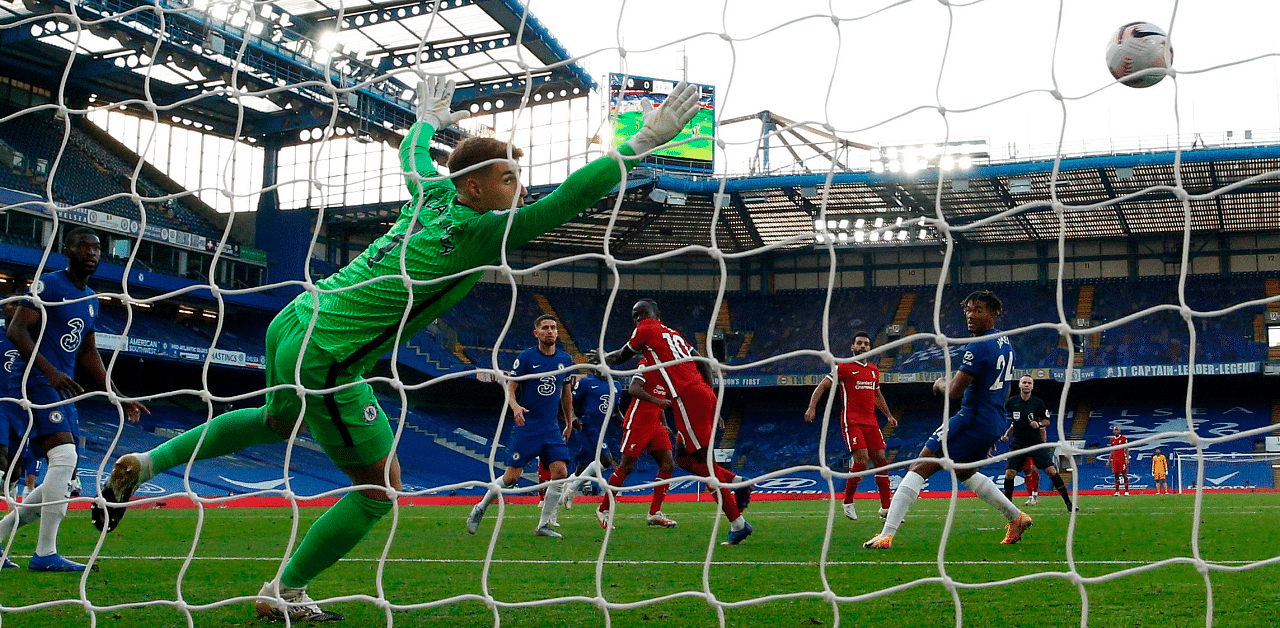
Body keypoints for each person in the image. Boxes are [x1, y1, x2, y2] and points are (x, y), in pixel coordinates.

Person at [92, 75, 701, 621]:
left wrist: (425, 122)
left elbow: (413, 156)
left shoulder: (431, 194)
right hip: (331, 350)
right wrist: (639, 142)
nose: (518, 187)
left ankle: (144, 466)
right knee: (380, 489)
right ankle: (286, 590)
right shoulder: (478, 230)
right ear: (475, 184)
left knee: (278, 420)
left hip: (296, 319)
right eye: (508, 177)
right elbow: (565, 201)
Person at [0, 228, 147, 572]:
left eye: (97, 248)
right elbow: (16, 330)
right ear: (66, 249)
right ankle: (45, 554)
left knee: (63, 470)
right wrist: (49, 372)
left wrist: (118, 395)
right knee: (63, 456)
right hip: (35, 380)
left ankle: (5, 535)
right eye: (84, 245)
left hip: (62, 388)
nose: (92, 252)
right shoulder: (47, 285)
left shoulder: (92, 299)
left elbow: (89, 353)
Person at [864, 290, 1033, 549]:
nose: (970, 315)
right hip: (993, 419)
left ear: (992, 314)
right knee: (964, 471)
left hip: (970, 419)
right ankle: (1016, 517)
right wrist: (994, 425)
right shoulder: (1005, 342)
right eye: (967, 309)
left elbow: (954, 391)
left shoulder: (978, 345)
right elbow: (1006, 387)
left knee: (920, 466)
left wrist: (941, 383)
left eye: (978, 310)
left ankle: (886, 534)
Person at [601, 299, 753, 545]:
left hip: (687, 398)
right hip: (697, 395)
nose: (636, 320)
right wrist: (708, 393)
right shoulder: (675, 336)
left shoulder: (645, 329)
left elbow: (620, 356)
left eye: (635, 316)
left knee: (706, 465)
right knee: (682, 458)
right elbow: (703, 361)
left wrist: (601, 357)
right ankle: (738, 483)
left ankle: (738, 523)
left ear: (642, 316)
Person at [467, 314, 575, 538]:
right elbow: (511, 386)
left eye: (553, 327)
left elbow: (566, 393)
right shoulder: (526, 358)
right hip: (527, 425)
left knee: (561, 472)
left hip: (551, 427)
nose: (550, 331)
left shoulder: (565, 359)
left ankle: (543, 525)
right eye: (545, 328)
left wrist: (569, 420)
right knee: (511, 478)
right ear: (537, 333)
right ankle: (479, 508)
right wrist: (515, 407)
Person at [803, 331, 897, 520]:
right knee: (861, 460)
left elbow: (877, 395)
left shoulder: (873, 370)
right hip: (852, 420)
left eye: (866, 344)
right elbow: (822, 386)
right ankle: (847, 502)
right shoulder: (843, 367)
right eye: (859, 343)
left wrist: (888, 415)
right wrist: (811, 407)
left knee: (881, 460)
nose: (863, 346)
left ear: (870, 348)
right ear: (852, 347)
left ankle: (886, 507)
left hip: (871, 421)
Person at [595, 354, 679, 528]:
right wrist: (659, 402)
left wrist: (663, 423)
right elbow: (634, 389)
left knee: (668, 464)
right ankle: (603, 509)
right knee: (627, 466)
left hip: (655, 425)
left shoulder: (666, 370)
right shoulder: (646, 364)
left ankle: (654, 513)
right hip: (638, 423)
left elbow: (659, 399)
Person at [1000, 375, 1074, 512]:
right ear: (1020, 385)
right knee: (1009, 473)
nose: (1026, 385)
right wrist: (1004, 434)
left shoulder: (1038, 403)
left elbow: (1047, 421)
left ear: (1032, 386)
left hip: (1035, 443)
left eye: (1029, 383)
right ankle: (1008, 506)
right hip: (1018, 443)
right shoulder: (1012, 402)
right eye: (1024, 382)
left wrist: (1038, 424)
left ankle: (1068, 502)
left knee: (1051, 471)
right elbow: (1009, 421)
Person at [560, 372, 620, 507]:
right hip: (588, 427)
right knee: (606, 461)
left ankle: (560, 495)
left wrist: (626, 422)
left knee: (582, 469)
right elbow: (569, 401)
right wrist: (573, 418)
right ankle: (572, 490)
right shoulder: (586, 382)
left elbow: (615, 411)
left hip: (603, 430)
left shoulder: (616, 385)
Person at [1109, 425, 1130, 496]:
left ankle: (1126, 491)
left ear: (1119, 431)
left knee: (1124, 474)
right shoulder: (1112, 439)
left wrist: (1127, 458)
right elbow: (1111, 450)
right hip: (1115, 459)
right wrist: (1109, 460)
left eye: (1117, 430)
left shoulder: (1124, 438)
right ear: (1113, 431)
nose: (1116, 431)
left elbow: (1127, 449)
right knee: (1116, 475)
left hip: (1122, 458)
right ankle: (1117, 491)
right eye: (1115, 430)